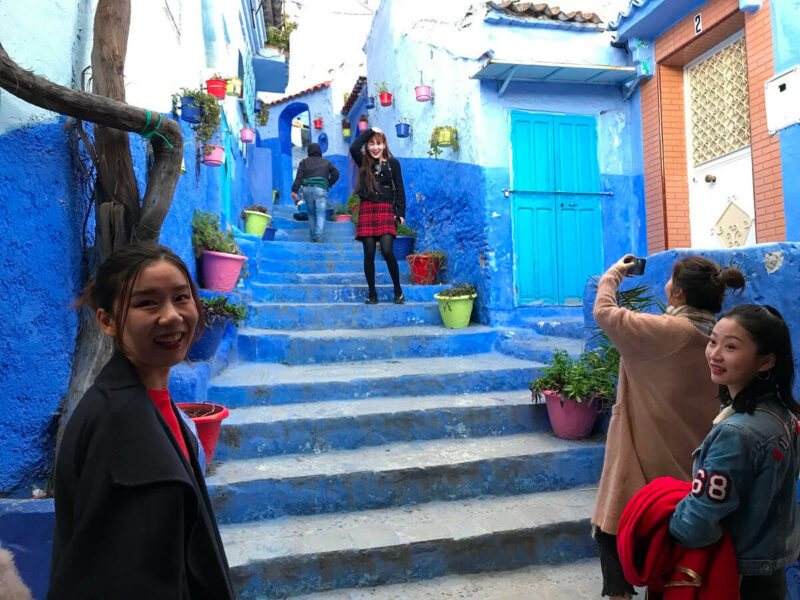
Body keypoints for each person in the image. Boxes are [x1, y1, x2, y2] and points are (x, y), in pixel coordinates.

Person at [48, 242, 235, 599]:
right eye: (147, 303)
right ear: (107, 321)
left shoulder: (149, 405)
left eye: (181, 298)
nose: (171, 316)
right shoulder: (124, 432)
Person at [591, 254, 745, 599]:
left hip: (646, 466)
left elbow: (604, 312)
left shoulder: (664, 332)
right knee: (673, 560)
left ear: (677, 294)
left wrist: (615, 273)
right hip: (694, 472)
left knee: (611, 533)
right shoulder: (719, 340)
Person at [669, 304, 800, 600]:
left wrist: (665, 516)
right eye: (713, 341)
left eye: (731, 347)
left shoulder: (736, 434)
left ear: (765, 362)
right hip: (770, 570)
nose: (714, 354)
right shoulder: (784, 416)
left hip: (734, 578)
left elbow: (695, 527)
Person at [349, 126, 406, 304]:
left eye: (378, 144)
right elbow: (353, 148)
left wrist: (400, 212)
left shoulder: (393, 163)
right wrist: (370, 131)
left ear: (384, 144)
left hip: (386, 210)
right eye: (371, 144)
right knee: (369, 253)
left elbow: (400, 188)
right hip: (367, 209)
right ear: (367, 146)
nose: (375, 148)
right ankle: (372, 295)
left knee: (388, 251)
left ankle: (398, 291)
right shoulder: (364, 162)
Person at [291, 142, 339, 242]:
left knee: (311, 214)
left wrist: (294, 190)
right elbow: (336, 173)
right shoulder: (326, 162)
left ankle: (313, 237)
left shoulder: (304, 162)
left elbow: (299, 178)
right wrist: (329, 183)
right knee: (320, 213)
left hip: (307, 189)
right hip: (321, 189)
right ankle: (318, 236)